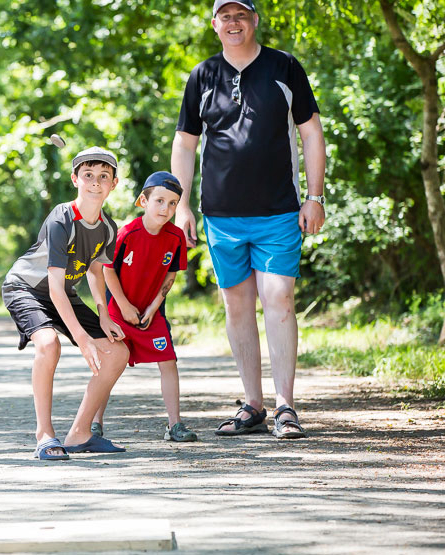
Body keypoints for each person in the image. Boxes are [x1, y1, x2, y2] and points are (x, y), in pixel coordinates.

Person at [171, 0, 326, 439]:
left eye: (242, 15)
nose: (234, 22)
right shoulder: (202, 75)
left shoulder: (285, 67)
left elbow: (311, 133)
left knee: (278, 298)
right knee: (236, 306)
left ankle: (286, 407)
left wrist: (314, 197)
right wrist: (181, 205)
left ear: (255, 20)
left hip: (279, 210)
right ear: (214, 24)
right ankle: (253, 404)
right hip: (221, 215)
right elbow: (184, 144)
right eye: (226, 16)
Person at [2, 147, 130, 461]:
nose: (95, 182)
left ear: (113, 183)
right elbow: (56, 287)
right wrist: (83, 339)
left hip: (62, 293)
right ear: (75, 179)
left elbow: (97, 269)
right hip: (27, 288)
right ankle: (44, 434)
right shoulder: (62, 218)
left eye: (104, 176)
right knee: (49, 344)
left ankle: (80, 434)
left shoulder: (107, 227)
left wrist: (103, 313)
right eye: (88, 175)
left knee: (118, 352)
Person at [102, 171, 198, 442]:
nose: (165, 208)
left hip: (151, 312)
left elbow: (171, 273)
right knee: (109, 365)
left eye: (172, 203)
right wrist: (123, 306)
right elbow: (108, 270)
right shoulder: (126, 233)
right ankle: (95, 423)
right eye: (159, 201)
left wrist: (155, 306)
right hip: (119, 310)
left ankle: (175, 425)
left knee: (168, 361)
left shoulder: (176, 236)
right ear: (143, 201)